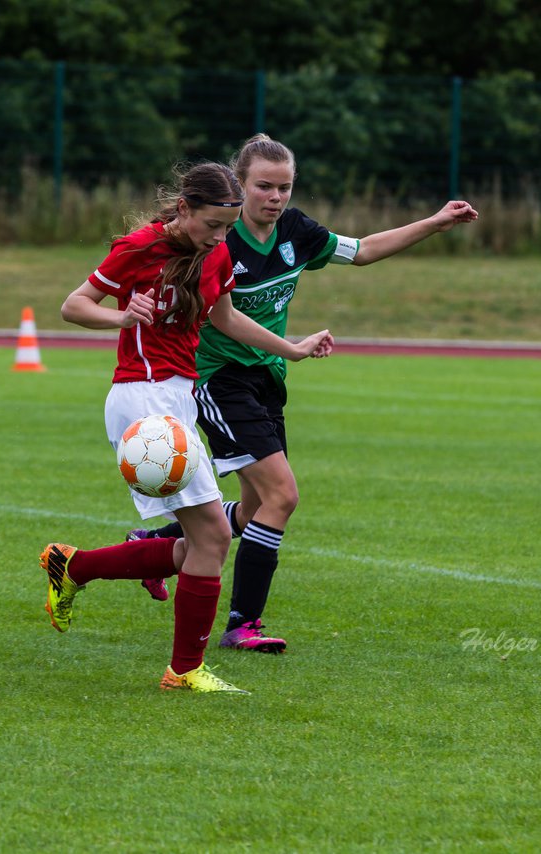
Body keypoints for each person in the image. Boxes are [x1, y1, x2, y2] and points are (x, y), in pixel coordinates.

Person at [130, 134, 478, 653]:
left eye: (284, 187)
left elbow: (361, 251)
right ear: (240, 186)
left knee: (253, 511)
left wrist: (435, 222)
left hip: (267, 380)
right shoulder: (215, 239)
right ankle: (243, 624)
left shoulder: (296, 231)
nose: (275, 197)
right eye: (264, 186)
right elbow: (205, 303)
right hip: (217, 380)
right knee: (282, 496)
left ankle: (155, 547)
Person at [40, 160, 334, 694]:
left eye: (227, 227)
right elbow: (73, 306)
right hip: (141, 401)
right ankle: (184, 670)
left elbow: (225, 318)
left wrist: (290, 347)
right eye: (212, 226)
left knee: (199, 543)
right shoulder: (140, 248)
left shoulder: (217, 252)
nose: (221, 237)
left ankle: (74, 566)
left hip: (180, 397)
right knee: (213, 536)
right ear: (184, 209)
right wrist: (123, 317)